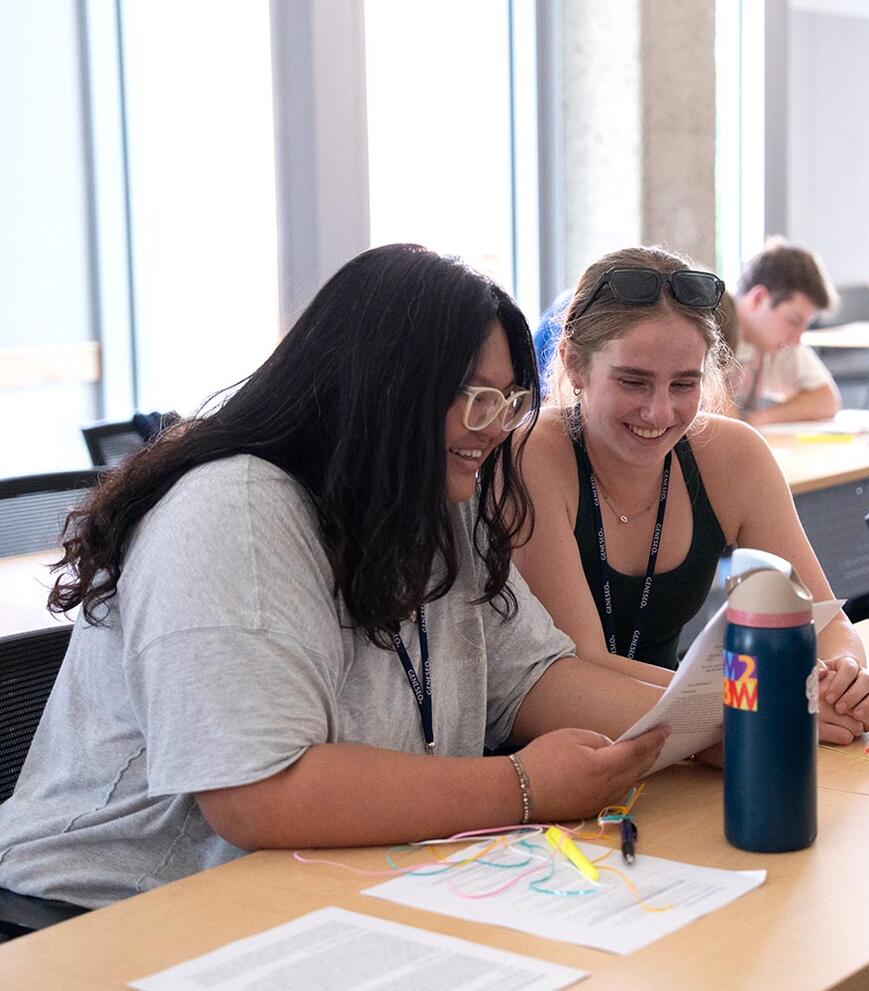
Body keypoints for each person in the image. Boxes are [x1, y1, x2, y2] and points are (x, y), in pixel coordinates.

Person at [0, 244, 670, 909]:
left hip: (329, 887)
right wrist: (524, 786)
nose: (494, 427)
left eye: (508, 400)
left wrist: (710, 725)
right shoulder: (231, 513)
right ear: (382, 388)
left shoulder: (438, 497)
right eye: (474, 398)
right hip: (112, 914)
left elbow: (530, 676)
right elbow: (258, 792)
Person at [513, 245, 869, 746]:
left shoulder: (732, 454)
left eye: (683, 384)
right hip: (564, 754)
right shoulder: (532, 454)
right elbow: (577, 667)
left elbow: (825, 623)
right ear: (574, 364)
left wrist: (842, 678)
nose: (659, 412)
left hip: (682, 743)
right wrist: (760, 703)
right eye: (634, 381)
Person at [731, 237, 841, 426]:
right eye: (793, 321)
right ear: (758, 299)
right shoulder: (712, 333)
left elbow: (827, 400)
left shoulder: (773, 340)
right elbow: (726, 424)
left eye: (804, 325)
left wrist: (759, 419)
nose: (797, 339)